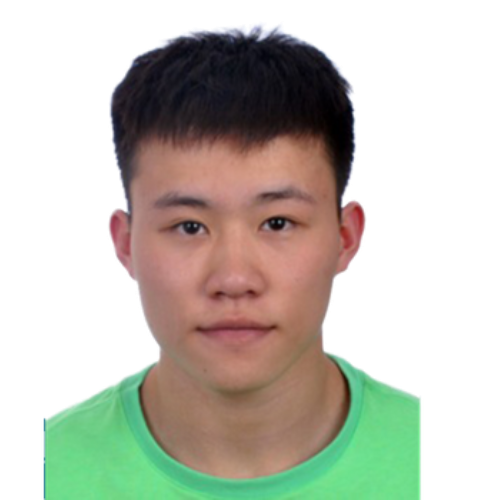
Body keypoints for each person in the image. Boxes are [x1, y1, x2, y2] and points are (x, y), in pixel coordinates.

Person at [45, 22, 423, 499]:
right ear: (124, 244)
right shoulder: (52, 469)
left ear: (346, 237)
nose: (235, 278)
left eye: (278, 223)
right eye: (189, 227)